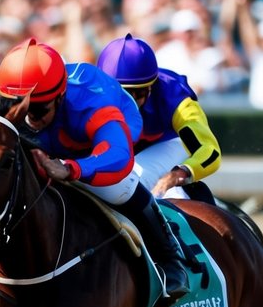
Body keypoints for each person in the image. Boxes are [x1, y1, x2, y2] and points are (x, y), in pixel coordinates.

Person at [0, 38, 190, 307]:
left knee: (117, 187)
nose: (28, 117)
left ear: (60, 96)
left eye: (38, 109)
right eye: (20, 108)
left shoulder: (90, 103)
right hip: (55, 136)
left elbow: (119, 158)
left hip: (102, 135)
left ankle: (170, 258)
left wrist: (72, 168)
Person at [95, 33, 223, 202]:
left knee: (131, 181)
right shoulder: (90, 93)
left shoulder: (176, 99)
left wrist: (179, 173)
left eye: (136, 94)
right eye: (119, 93)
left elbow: (209, 151)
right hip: (125, 146)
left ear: (151, 87)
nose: (127, 102)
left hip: (169, 144)